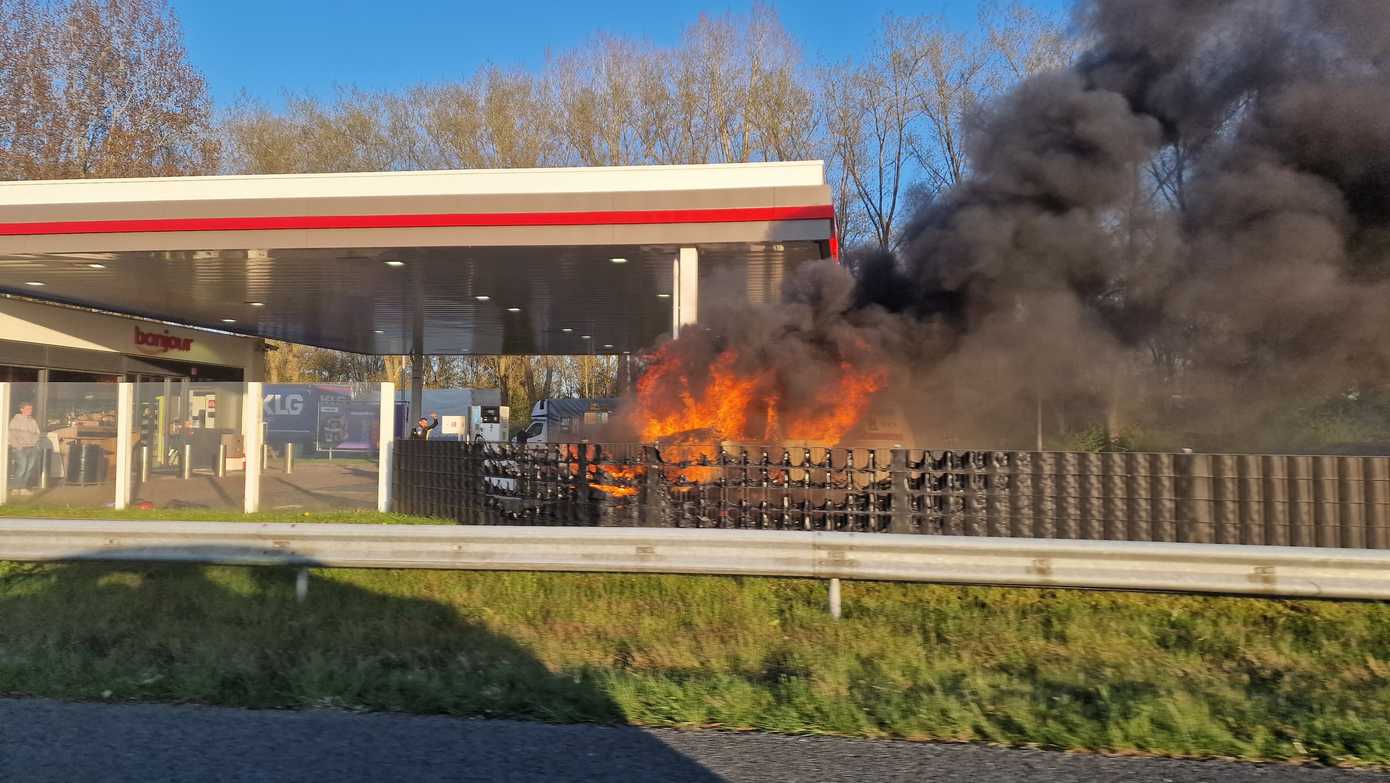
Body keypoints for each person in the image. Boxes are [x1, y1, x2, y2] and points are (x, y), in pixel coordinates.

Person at [8, 402, 41, 494]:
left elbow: (37, 434)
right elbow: (11, 435)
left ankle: (22, 488)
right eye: (27, 409)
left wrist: (34, 443)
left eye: (31, 409)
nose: (30, 411)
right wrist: (18, 446)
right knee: (22, 468)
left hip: (32, 448)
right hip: (20, 449)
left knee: (29, 468)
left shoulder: (33, 421)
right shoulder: (15, 420)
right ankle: (15, 488)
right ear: (21, 409)